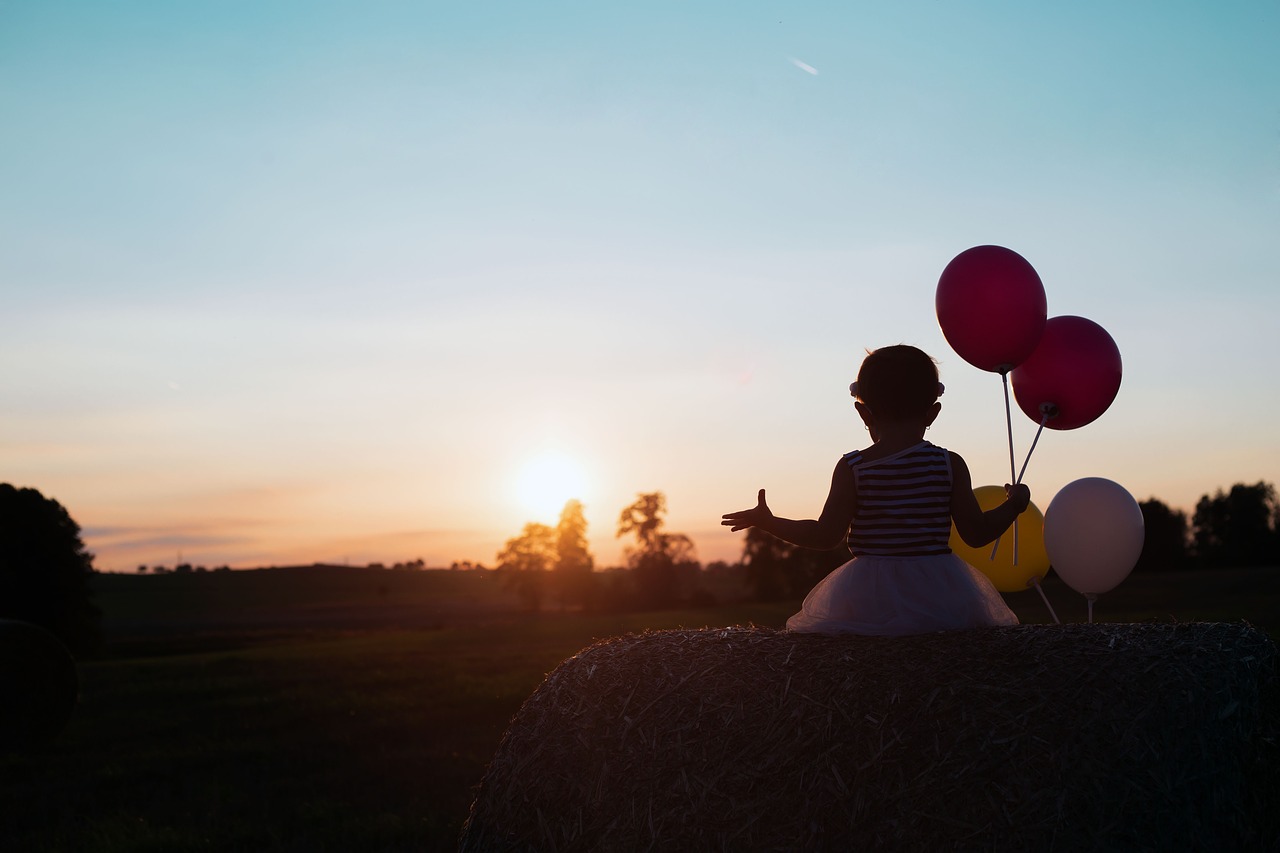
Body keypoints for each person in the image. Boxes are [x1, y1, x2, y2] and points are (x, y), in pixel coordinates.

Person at [721, 344, 1028, 636]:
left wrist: (768, 521)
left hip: (867, 596)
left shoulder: (853, 468)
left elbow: (825, 536)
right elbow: (976, 534)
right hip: (941, 593)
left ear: (863, 413)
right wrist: (1013, 505)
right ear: (933, 413)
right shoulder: (949, 464)